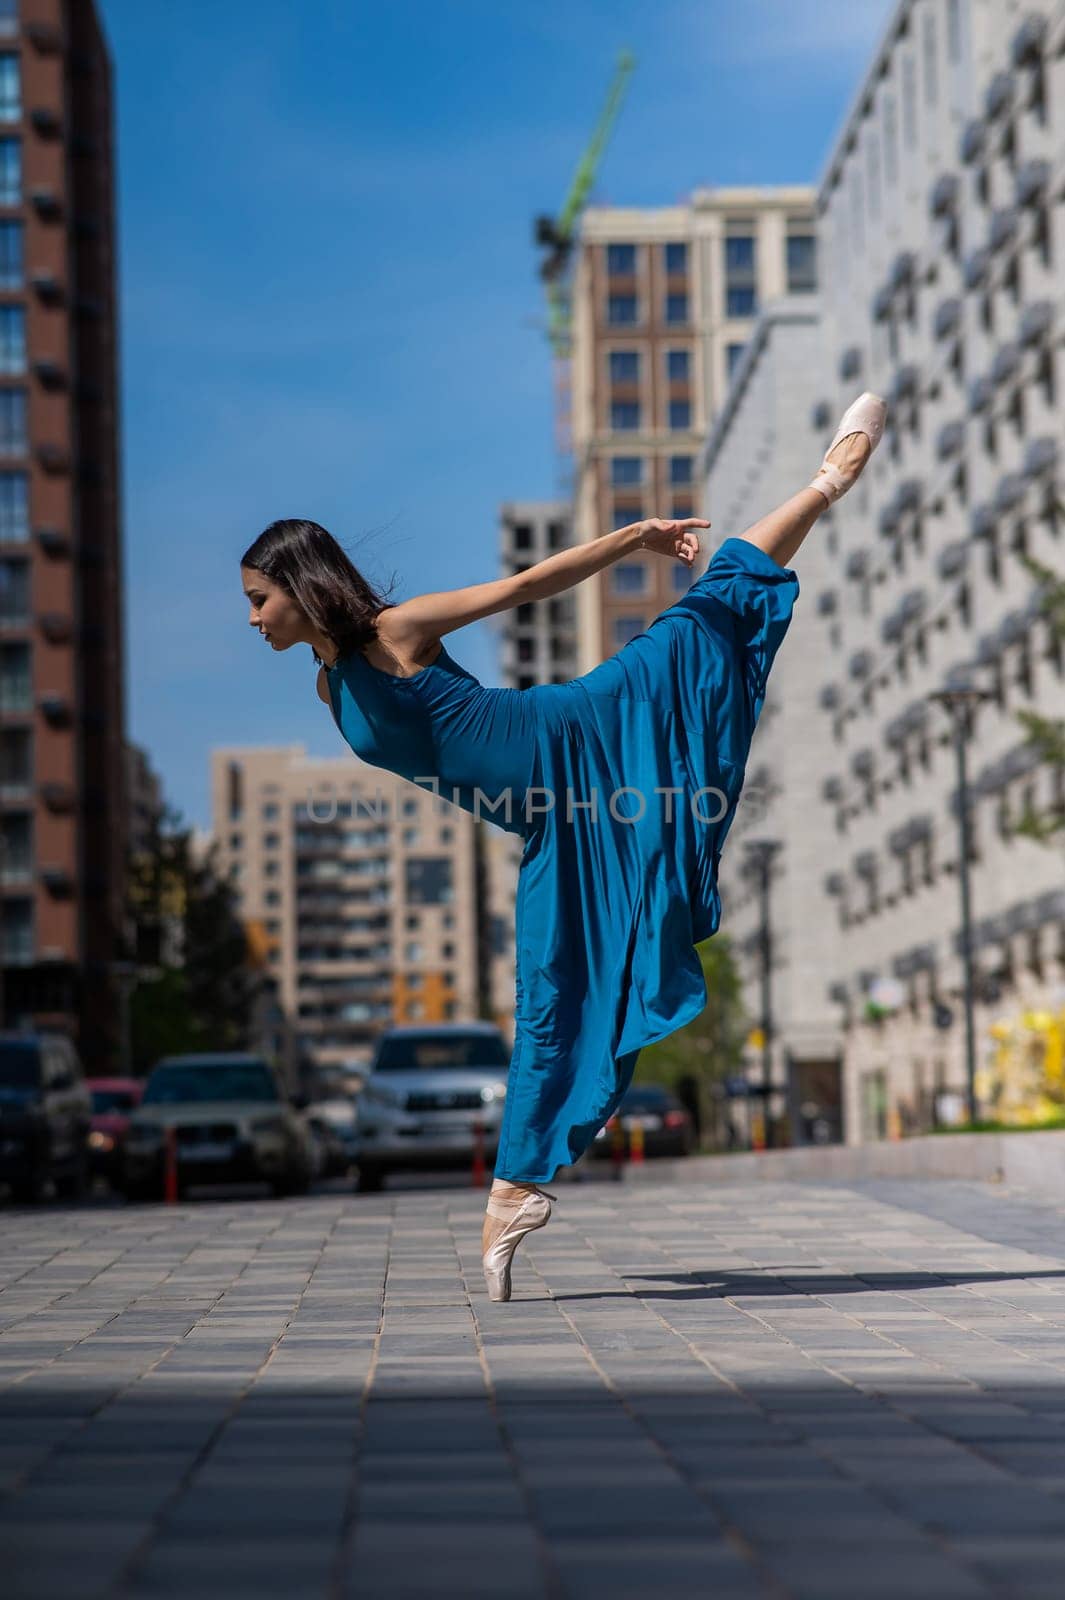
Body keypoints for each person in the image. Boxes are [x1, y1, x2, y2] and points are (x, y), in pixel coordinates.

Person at [240, 392, 887, 1301]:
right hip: (554, 819)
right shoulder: (326, 689)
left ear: (300, 587)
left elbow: (521, 588)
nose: (254, 617)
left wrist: (632, 539)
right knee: (551, 993)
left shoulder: (396, 632)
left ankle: (826, 481)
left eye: (260, 599)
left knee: (694, 627)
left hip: (578, 740)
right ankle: (515, 1193)